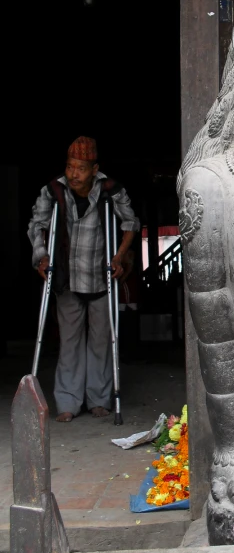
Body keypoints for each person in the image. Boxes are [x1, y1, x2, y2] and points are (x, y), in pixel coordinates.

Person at [28, 136, 140, 422]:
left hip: (100, 278)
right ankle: (67, 402)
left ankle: (99, 400)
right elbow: (37, 224)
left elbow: (130, 223)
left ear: (94, 169)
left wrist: (120, 257)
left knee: (102, 341)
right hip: (67, 280)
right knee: (70, 342)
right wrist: (41, 255)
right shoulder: (53, 191)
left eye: (80, 168)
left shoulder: (110, 190)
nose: (73, 174)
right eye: (69, 167)